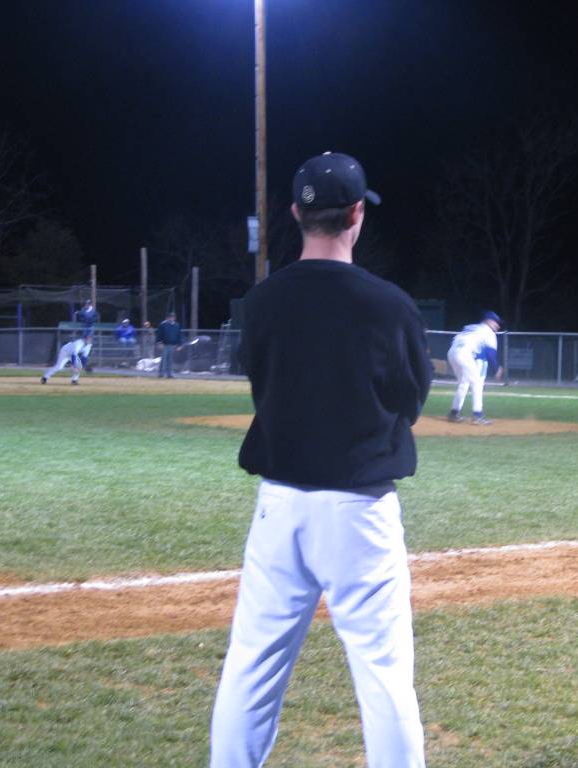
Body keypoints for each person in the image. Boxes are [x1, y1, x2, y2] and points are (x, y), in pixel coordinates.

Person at [210, 152, 431, 768]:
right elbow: (409, 401)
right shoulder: (389, 305)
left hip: (279, 509)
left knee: (250, 669)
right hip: (359, 509)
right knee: (385, 678)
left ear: (295, 213)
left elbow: (261, 383)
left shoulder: (261, 302)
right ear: (357, 214)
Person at [446, 311, 504, 424]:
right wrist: (497, 368)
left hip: (452, 353)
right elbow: (490, 353)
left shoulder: (472, 327)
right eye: (495, 322)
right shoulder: (489, 332)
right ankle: (478, 415)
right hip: (464, 354)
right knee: (477, 383)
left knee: (463, 383)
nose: (497, 325)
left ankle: (453, 413)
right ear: (488, 321)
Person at [156, 312, 181, 378]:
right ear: (167, 317)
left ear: (174, 318)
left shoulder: (176, 325)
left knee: (170, 360)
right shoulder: (163, 324)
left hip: (172, 345)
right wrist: (159, 343)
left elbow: (179, 335)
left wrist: (179, 344)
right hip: (164, 345)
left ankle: (169, 374)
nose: (171, 318)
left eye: (173, 317)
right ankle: (161, 374)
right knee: (163, 360)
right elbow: (159, 334)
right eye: (170, 317)